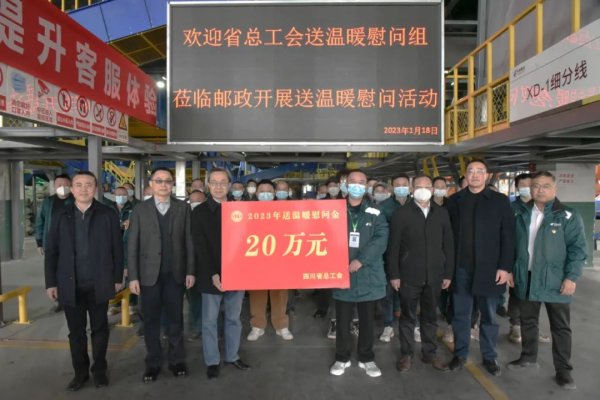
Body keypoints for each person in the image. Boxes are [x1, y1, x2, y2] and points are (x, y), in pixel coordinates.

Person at [507, 171, 587, 390]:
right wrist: (510, 270)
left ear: (555, 188)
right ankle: (528, 357)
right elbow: (510, 244)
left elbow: (578, 249)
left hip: (556, 280)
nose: (539, 190)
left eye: (545, 186)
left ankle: (563, 370)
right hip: (526, 277)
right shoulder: (519, 212)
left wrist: (571, 277)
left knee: (560, 327)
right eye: (535, 186)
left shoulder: (568, 215)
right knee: (528, 321)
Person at [44, 171, 123, 391]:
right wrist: (51, 282)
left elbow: (117, 249)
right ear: (72, 188)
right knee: (76, 333)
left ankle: (99, 371)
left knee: (100, 329)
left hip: (100, 282)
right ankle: (80, 373)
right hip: (70, 284)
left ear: (95, 188)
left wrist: (117, 278)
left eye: (89, 185)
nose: (84, 189)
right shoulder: (61, 215)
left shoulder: (107, 214)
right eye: (79, 185)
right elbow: (51, 251)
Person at [445, 159, 515, 376]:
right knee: (461, 315)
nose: (474, 175)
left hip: (490, 270)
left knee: (490, 317)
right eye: (471, 171)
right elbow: (447, 237)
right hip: (461, 269)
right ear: (466, 175)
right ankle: (460, 354)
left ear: (486, 175)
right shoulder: (454, 201)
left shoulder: (499, 201)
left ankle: (489, 356)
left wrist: (505, 267)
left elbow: (508, 236)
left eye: (479, 171)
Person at [128, 167, 196, 382]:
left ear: (172, 184)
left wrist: (190, 271)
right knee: (151, 321)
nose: (164, 185)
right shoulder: (140, 210)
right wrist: (133, 276)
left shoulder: (183, 208)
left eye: (167, 181)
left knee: (175, 320)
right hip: (148, 276)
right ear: (151, 184)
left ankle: (177, 360)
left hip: (175, 275)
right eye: (159, 181)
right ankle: (153, 363)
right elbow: (132, 245)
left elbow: (189, 241)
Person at [387, 175, 454, 373]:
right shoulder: (401, 214)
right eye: (418, 186)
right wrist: (394, 274)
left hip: (435, 275)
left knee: (430, 317)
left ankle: (429, 354)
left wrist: (448, 273)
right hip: (408, 275)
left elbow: (448, 245)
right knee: (407, 317)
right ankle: (406, 355)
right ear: (411, 189)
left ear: (432, 190)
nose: (423, 190)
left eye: (427, 186)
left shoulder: (441, 213)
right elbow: (393, 247)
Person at [191, 168, 251, 379]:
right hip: (211, 275)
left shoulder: (241, 210)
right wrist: (213, 274)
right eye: (214, 182)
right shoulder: (199, 212)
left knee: (234, 318)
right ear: (208, 185)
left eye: (222, 182)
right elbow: (200, 247)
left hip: (237, 273)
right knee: (209, 321)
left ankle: (232, 356)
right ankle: (212, 361)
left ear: (229, 185)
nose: (218, 186)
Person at [329, 169, 388, 378]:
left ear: (366, 186)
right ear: (345, 184)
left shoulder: (376, 211)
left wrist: (361, 260)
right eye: (352, 181)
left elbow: (381, 238)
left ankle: (366, 358)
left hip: (367, 274)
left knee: (367, 321)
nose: (356, 185)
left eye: (361, 182)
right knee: (343, 320)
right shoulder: (333, 210)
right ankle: (342, 357)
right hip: (341, 273)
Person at [247, 179, 294, 341]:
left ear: (274, 193)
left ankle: (281, 325)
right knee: (257, 292)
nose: (265, 194)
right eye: (262, 191)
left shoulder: (284, 211)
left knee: (280, 292)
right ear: (256, 193)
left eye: (269, 191)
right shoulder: (248, 210)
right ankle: (257, 325)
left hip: (280, 258)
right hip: (256, 258)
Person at [36, 173, 74, 313]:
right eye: (59, 185)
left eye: (66, 185)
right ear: (54, 186)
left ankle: (70, 298)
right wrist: (39, 242)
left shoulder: (75, 200)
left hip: (70, 244)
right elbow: (40, 222)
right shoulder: (48, 202)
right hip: (51, 243)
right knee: (53, 271)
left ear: (70, 186)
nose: (62, 187)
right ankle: (59, 300)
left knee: (69, 272)